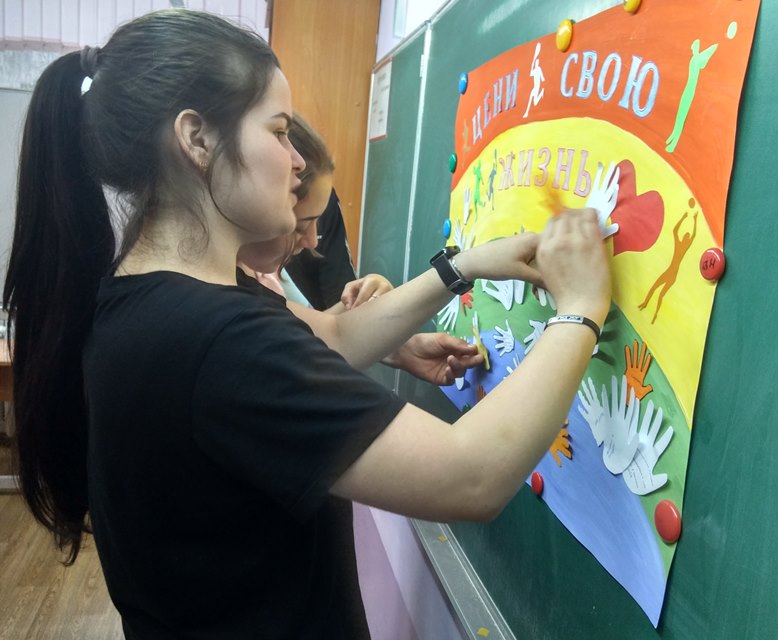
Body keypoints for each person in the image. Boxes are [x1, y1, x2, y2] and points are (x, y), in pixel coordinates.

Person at [2, 9, 610, 640]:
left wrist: (463, 266)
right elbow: (471, 475)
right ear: (197, 139)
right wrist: (581, 307)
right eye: (279, 131)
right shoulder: (218, 338)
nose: (297, 162)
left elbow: (336, 336)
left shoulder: (154, 296)